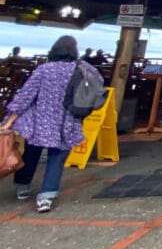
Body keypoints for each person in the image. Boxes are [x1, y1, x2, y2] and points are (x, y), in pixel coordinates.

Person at [0, 35, 102, 213]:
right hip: (67, 120)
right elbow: (98, 86)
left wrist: (8, 122)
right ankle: (46, 197)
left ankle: (23, 187)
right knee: (57, 159)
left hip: (41, 120)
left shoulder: (44, 69)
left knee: (31, 153)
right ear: (74, 50)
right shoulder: (84, 68)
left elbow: (25, 95)